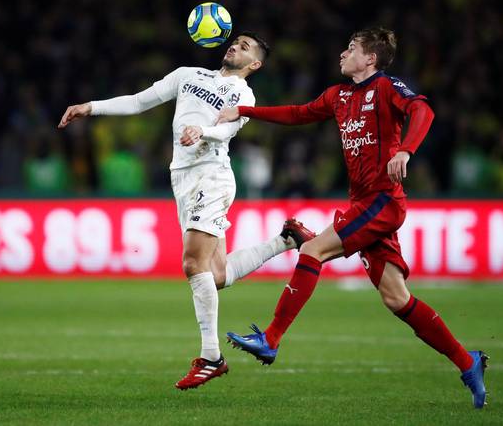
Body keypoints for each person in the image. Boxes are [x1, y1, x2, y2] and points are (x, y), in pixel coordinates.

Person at [218, 27, 488, 408]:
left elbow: (423, 110)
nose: (343, 53)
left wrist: (406, 151)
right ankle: (468, 361)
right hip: (363, 203)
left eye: (351, 48)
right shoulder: (338, 95)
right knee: (396, 299)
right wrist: (244, 111)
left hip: (382, 201)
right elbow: (298, 114)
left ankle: (272, 338)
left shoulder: (388, 87)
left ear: (370, 59)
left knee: (312, 249)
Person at [58, 32, 316, 390]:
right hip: (183, 177)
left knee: (193, 265)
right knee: (217, 274)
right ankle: (286, 240)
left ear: (255, 65)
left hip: (211, 176)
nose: (236, 47)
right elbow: (137, 102)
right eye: (236, 42)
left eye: (246, 48)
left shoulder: (243, 95)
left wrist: (203, 131)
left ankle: (212, 358)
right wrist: (91, 107)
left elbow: (226, 131)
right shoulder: (187, 75)